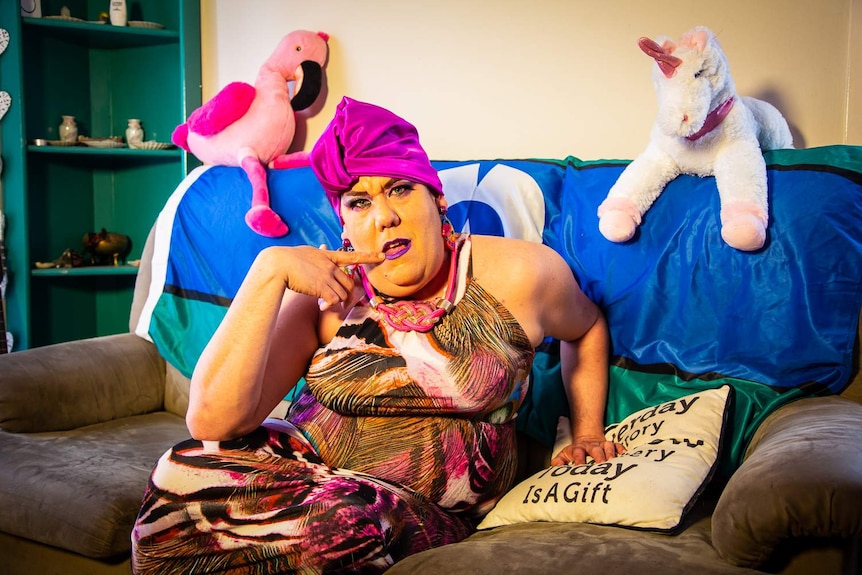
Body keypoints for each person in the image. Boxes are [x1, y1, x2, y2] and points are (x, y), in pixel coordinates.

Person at [131, 97, 621, 574]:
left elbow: (588, 326)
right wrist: (269, 271)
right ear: (344, 222)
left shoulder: (520, 275)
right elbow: (213, 423)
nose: (383, 216)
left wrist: (586, 433)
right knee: (178, 469)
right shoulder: (327, 293)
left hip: (400, 514)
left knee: (334, 525)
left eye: (400, 190)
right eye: (359, 201)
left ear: (437, 197)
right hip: (301, 473)